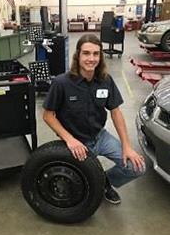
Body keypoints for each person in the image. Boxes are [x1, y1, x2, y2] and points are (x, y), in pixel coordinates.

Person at [43, 33, 146, 205]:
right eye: (86, 53)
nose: (91, 59)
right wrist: (69, 140)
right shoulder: (62, 83)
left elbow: (116, 112)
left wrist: (127, 147)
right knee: (77, 181)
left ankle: (104, 183)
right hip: (75, 142)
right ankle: (93, 183)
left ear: (100, 56)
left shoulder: (105, 80)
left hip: (100, 137)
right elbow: (48, 115)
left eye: (95, 54)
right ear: (78, 55)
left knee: (137, 168)